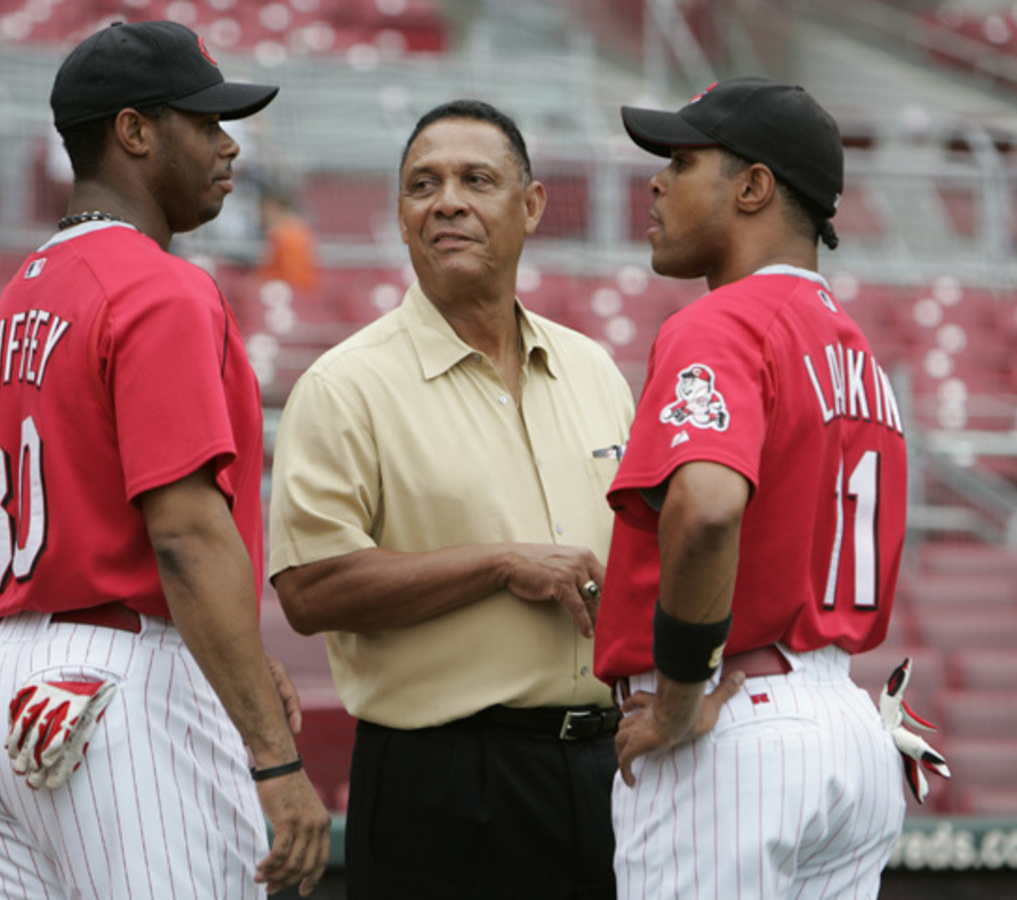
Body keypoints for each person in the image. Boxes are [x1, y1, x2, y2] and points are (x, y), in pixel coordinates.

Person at [0, 21, 329, 899]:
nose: (230, 144)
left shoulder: (11, 304)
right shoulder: (158, 285)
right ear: (135, 132)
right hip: (118, 686)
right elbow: (185, 535)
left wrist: (232, 660)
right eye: (206, 121)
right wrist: (275, 760)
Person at [270, 99, 636, 899]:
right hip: (440, 783)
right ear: (401, 218)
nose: (447, 202)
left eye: (477, 180)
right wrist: (498, 565)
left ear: (531, 206)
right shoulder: (344, 386)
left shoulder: (596, 372)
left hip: (605, 773)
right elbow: (309, 589)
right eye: (423, 185)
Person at [593, 77, 947, 899]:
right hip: (846, 724)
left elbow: (709, 509)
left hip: (729, 725)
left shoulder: (723, 321)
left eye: (683, 162)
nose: (657, 182)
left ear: (753, 187)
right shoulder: (858, 351)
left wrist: (676, 700)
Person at [256, 181, 319, 293]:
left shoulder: (286, 234)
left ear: (276, 208)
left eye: (265, 210)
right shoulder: (297, 230)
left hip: (288, 291)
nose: (262, 216)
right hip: (293, 290)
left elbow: (292, 275)